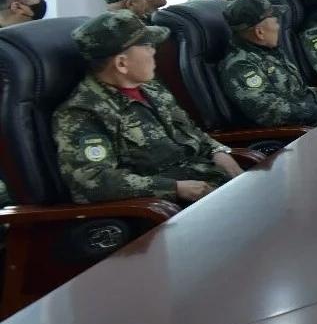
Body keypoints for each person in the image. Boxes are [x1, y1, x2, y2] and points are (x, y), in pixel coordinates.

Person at [53, 11, 242, 205]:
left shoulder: (151, 88)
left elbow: (190, 130)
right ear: (121, 63)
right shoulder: (83, 112)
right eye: (147, 46)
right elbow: (93, 181)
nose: (154, 52)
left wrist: (218, 151)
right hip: (169, 207)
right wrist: (173, 188)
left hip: (210, 183)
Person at [218, 0, 317, 127]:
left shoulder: (269, 52)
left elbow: (300, 91)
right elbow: (271, 111)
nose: (279, 27)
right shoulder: (240, 66)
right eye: (276, 21)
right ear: (260, 32)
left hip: (312, 122)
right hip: (293, 134)